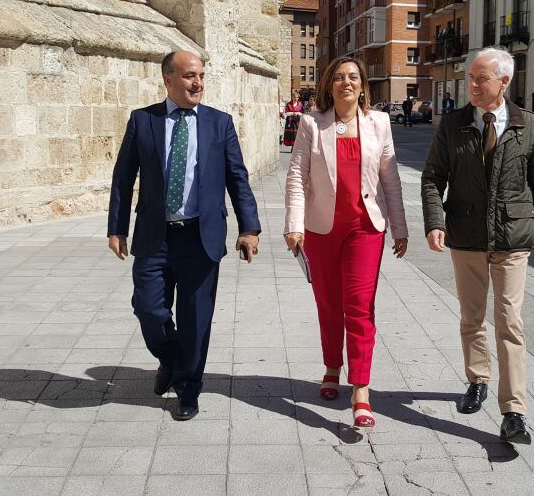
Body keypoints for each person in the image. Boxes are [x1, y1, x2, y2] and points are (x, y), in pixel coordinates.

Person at [107, 50, 262, 421]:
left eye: (202, 76)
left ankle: (189, 388)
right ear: (169, 80)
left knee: (196, 318)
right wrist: (117, 228)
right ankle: (172, 359)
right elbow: (123, 178)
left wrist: (249, 227)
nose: (198, 83)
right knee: (148, 308)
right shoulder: (142, 121)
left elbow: (237, 178)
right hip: (154, 237)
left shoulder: (218, 123)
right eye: (190, 76)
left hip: (200, 238)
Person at [420, 47, 534, 445]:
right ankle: (478, 379)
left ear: (504, 82)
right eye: (471, 79)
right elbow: (432, 178)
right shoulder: (454, 124)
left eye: (481, 79)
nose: (473, 86)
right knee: (472, 316)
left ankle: (514, 412)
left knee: (510, 322)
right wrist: (434, 222)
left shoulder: (527, 125)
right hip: (466, 236)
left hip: (513, 238)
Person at [284, 57, 409, 428]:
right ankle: (331, 366)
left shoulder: (380, 123)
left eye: (352, 77)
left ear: (363, 85)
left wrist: (399, 228)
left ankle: (360, 388)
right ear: (329, 85)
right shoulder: (311, 123)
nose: (346, 83)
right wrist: (294, 224)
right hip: (321, 230)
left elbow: (390, 180)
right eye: (338, 77)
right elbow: (296, 176)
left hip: (365, 229)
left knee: (359, 306)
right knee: (328, 303)